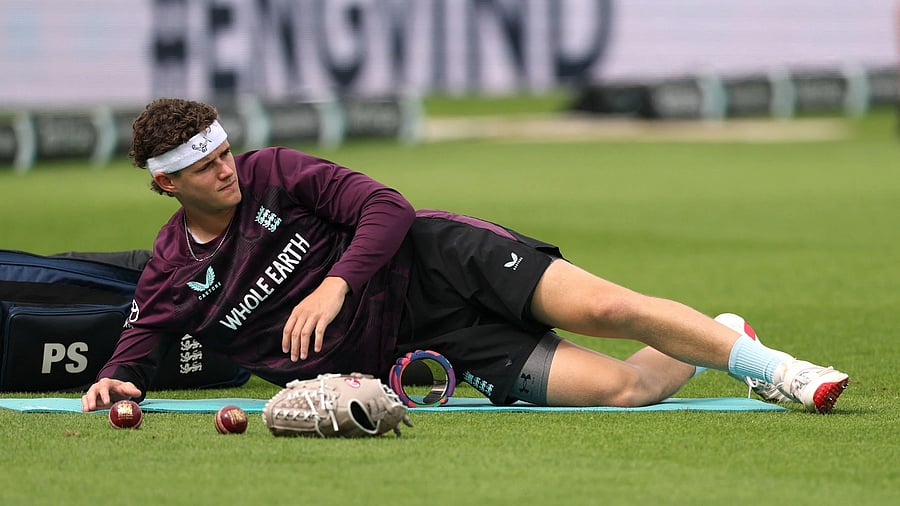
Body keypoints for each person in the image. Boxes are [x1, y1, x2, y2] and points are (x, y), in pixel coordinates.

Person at [81, 98, 849, 414]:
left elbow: (387, 208)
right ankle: (722, 334)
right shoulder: (175, 271)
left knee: (607, 308)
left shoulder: (277, 170)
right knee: (620, 389)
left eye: (223, 149)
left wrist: (336, 285)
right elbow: (144, 335)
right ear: (167, 183)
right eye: (205, 164)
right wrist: (114, 379)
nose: (227, 168)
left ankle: (781, 370)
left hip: (441, 258)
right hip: (423, 344)